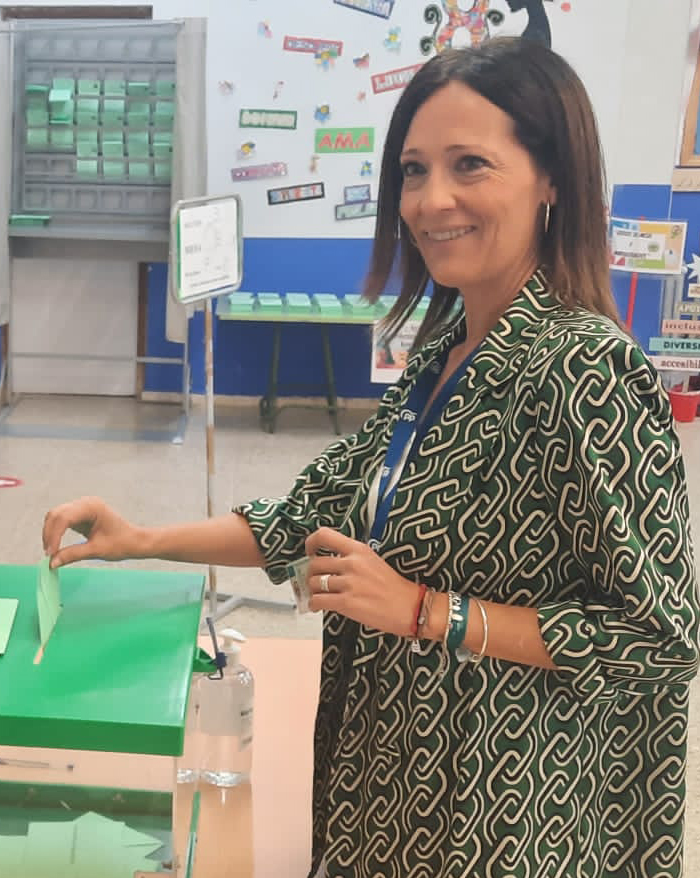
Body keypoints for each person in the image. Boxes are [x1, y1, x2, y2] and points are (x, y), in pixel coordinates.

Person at [43, 38, 697, 878]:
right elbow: (311, 519)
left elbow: (659, 636)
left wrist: (431, 611)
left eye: (470, 165)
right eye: (413, 170)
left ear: (552, 180)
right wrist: (143, 540)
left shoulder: (584, 368)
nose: (432, 200)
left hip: (500, 813)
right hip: (389, 782)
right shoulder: (444, 349)